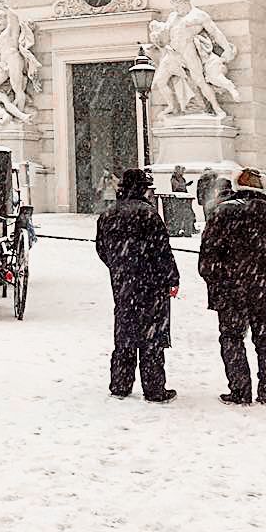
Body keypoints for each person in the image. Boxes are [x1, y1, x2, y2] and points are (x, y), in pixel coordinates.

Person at [198, 167, 266, 409]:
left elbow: (208, 258)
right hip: (265, 290)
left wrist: (217, 282)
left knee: (232, 338)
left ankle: (240, 390)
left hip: (231, 290)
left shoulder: (223, 213)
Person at [95, 169, 179, 403]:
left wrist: (120, 267)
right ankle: (154, 388)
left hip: (123, 284)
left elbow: (101, 249)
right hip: (151, 284)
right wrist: (172, 278)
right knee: (151, 338)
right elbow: (162, 251)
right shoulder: (149, 215)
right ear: (142, 188)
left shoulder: (108, 214)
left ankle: (120, 383)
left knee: (125, 333)